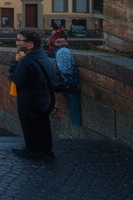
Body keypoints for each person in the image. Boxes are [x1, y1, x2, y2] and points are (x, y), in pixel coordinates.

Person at [9, 29, 58, 161]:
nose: (17, 43)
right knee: (43, 126)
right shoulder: (43, 57)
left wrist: (16, 63)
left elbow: (17, 79)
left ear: (30, 44)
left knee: (30, 127)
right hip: (45, 99)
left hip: (30, 100)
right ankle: (45, 151)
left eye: (20, 40)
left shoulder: (26, 61)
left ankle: (33, 151)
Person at [47, 35, 81, 127]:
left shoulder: (62, 51)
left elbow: (66, 70)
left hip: (69, 84)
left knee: (74, 108)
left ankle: (77, 127)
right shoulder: (61, 51)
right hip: (69, 84)